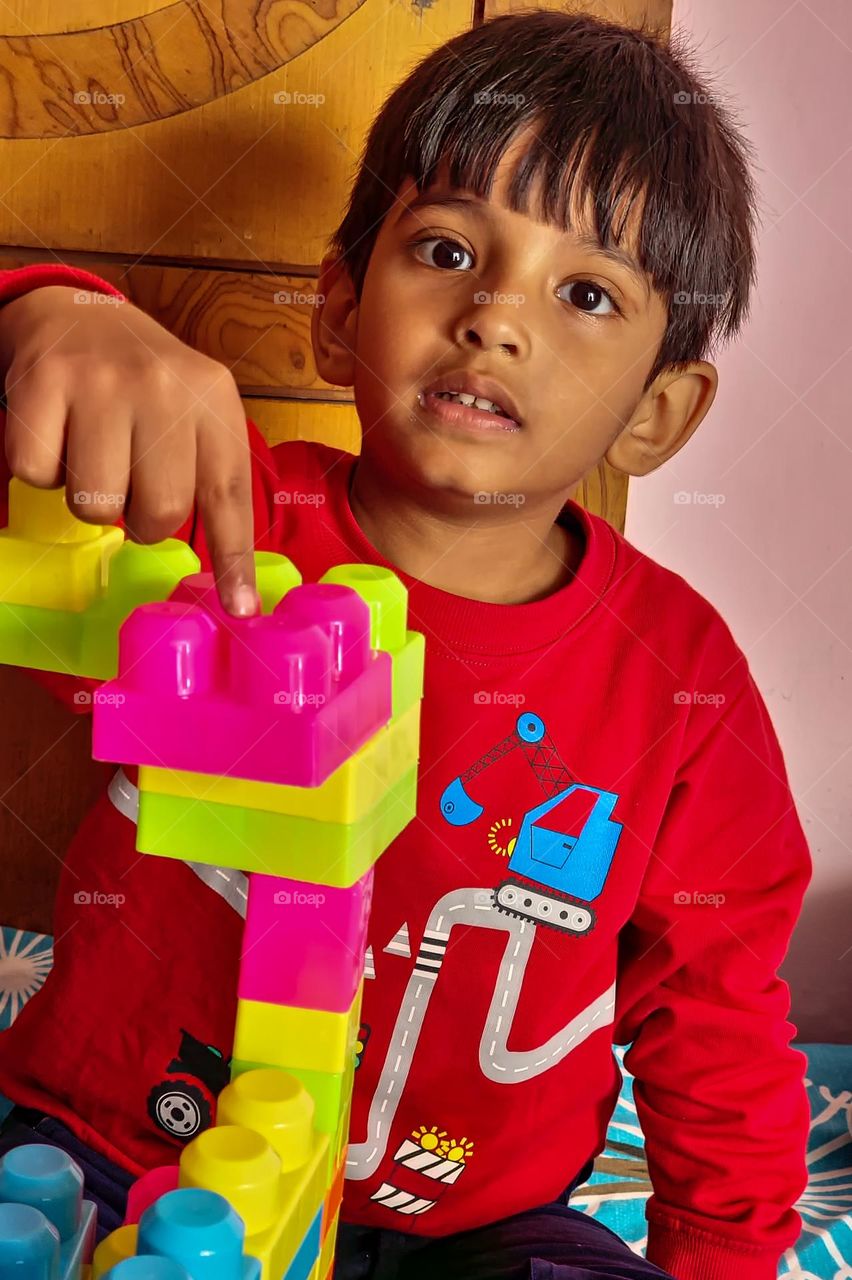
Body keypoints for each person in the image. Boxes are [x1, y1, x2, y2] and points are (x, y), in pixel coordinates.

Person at [0, 11, 811, 1280]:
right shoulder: (214, 514)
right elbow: (51, 475)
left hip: (481, 1226)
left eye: (586, 292)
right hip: (123, 1146)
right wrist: (50, 316)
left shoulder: (684, 681)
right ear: (338, 308)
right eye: (445, 247)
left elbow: (718, 1023)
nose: (494, 316)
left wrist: (722, 1260)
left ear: (658, 409)